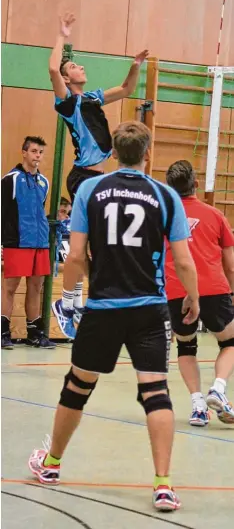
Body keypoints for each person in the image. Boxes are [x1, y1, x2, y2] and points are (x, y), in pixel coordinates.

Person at [29, 121, 200, 512]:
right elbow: (184, 261)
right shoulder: (165, 196)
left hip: (103, 308)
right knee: (156, 392)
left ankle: (52, 464)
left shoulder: (89, 189)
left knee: (77, 387)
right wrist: (193, 299)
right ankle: (163, 485)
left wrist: (76, 289)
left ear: (115, 153)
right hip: (149, 309)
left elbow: (74, 257)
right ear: (147, 153)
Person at [49, 12, 149, 337]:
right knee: (82, 244)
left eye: (77, 65)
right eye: (74, 67)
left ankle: (77, 302)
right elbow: (53, 69)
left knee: (94, 245)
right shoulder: (68, 103)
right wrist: (63, 35)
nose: (80, 68)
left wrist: (135, 64)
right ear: (67, 77)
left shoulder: (92, 98)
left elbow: (127, 88)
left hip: (100, 179)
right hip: (83, 179)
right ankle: (66, 302)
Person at [165, 160, 234, 426]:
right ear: (195, 183)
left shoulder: (164, 218)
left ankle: (197, 406)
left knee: (186, 346)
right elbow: (229, 264)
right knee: (229, 343)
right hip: (213, 288)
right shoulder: (215, 216)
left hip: (176, 289)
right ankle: (218, 387)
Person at [1, 136, 55, 350]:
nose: (37, 156)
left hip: (40, 243)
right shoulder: (10, 180)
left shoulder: (44, 182)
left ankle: (34, 332)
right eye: (33, 151)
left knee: (35, 287)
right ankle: (3, 331)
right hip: (17, 242)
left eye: (40, 152)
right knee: (10, 288)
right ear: (24, 153)